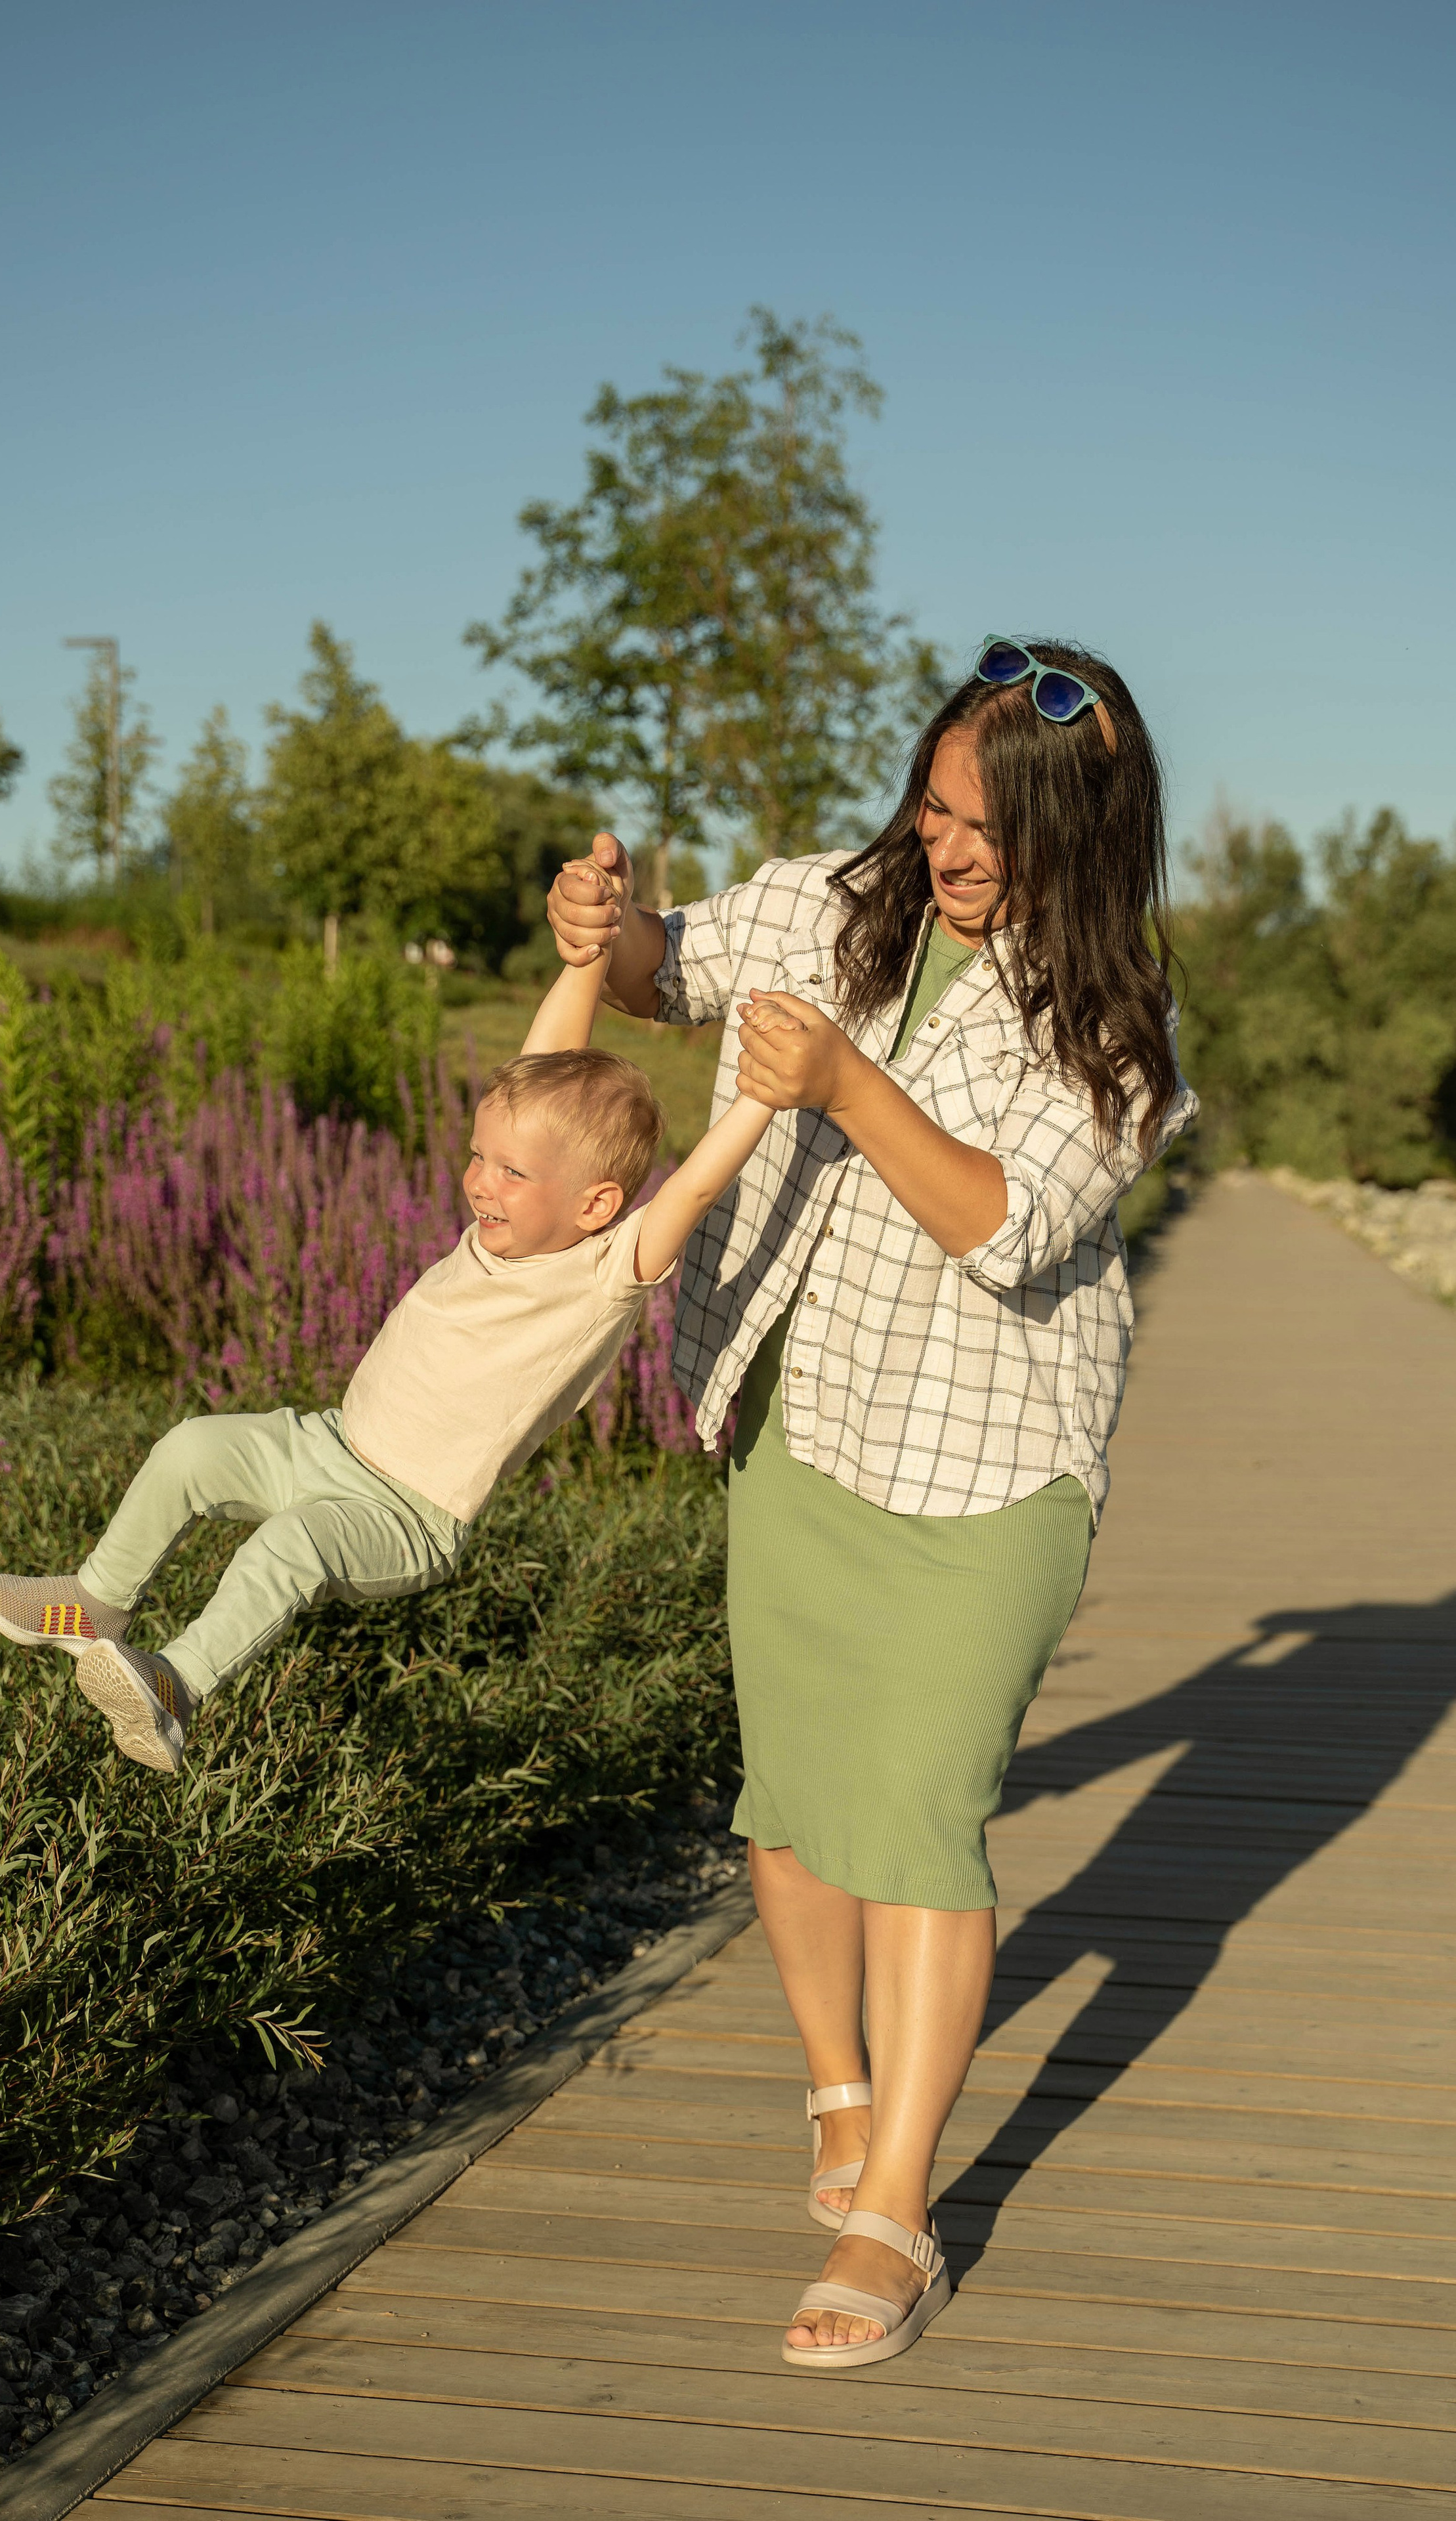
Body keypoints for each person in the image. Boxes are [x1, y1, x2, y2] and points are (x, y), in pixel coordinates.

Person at [546, 637, 1197, 2373]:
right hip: (798, 1422)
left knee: (915, 1816)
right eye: (933, 809)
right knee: (792, 1801)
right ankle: (838, 2088)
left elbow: (1007, 1226)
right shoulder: (839, 904)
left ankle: (895, 2214)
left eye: (986, 828)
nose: (945, 849)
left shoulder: (1113, 1019)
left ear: (1079, 834)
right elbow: (671, 970)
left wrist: (846, 1086)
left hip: (987, 1460)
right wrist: (605, 932)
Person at [0, 859, 788, 1775]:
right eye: (479, 1156)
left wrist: (760, 1095)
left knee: (291, 1546)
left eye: (511, 1172)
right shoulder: (503, 1229)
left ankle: (174, 1687)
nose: (480, 1182)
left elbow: (694, 1189)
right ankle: (97, 1601)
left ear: (597, 1205)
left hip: (407, 1513)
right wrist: (588, 956)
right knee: (189, 1448)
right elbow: (538, 1070)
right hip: (325, 1444)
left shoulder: (604, 1272)